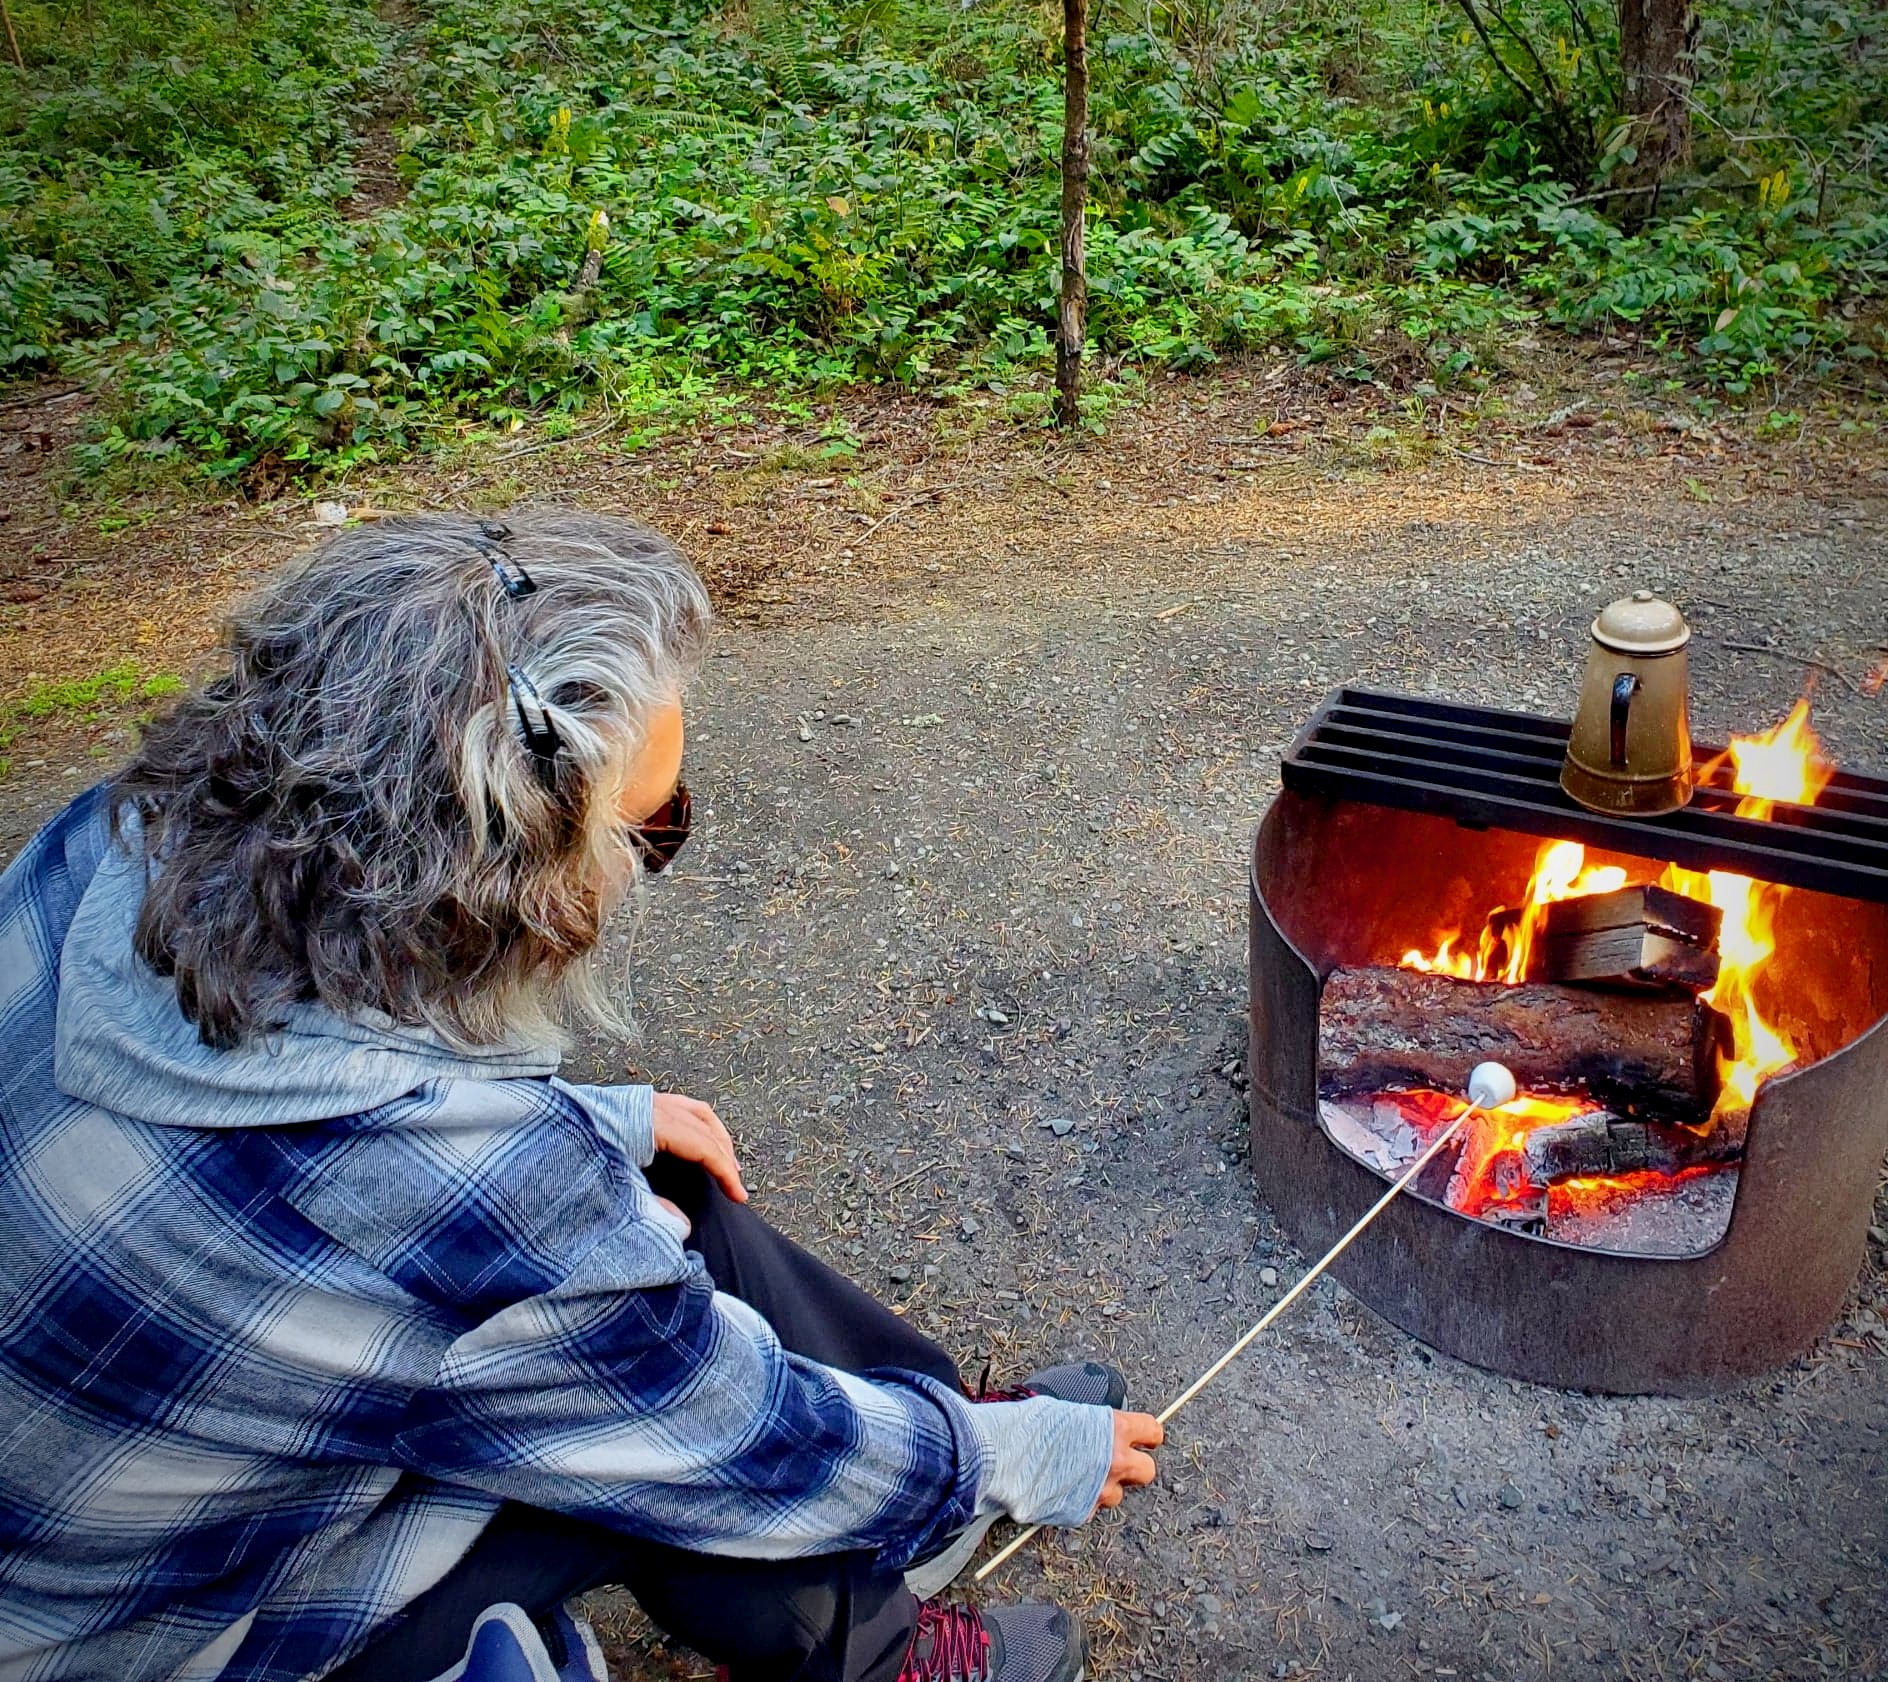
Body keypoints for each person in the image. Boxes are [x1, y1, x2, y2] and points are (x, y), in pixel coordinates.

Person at [0, 512, 1163, 1682]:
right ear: (502, 881)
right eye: (647, 831)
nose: (645, 864)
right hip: (166, 1636)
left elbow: (283, 1151)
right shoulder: (476, 1188)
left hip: (120, 1500)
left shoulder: (112, 839)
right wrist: (1001, 1454)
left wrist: (597, 1126)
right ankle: (876, 1638)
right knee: (651, 1424)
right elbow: (720, 1429)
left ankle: (909, 1418)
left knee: (648, 1202)